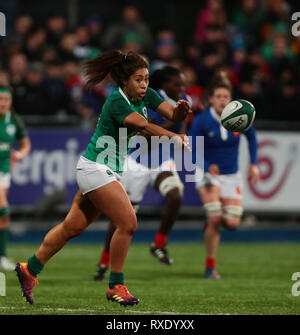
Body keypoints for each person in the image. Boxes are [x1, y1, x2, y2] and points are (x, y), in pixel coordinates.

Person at [15, 50, 191, 306]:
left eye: (146, 79)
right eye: (138, 79)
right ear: (124, 81)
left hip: (102, 169)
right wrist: (174, 137)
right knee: (128, 223)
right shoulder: (116, 102)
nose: (144, 85)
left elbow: (172, 115)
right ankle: (115, 285)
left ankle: (29, 268)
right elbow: (143, 127)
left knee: (71, 227)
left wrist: (181, 112)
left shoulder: (147, 95)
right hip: (95, 168)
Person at [94, 66, 191, 280]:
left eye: (183, 84)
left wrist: (180, 132)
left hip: (162, 163)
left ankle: (158, 244)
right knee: (123, 220)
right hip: (136, 163)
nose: (182, 88)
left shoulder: (184, 99)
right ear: (165, 86)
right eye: (177, 84)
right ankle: (104, 262)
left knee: (175, 195)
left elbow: (181, 126)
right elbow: (147, 134)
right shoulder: (150, 99)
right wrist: (173, 126)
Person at [190, 71, 260, 279]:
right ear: (211, 99)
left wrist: (254, 164)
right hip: (207, 175)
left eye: (226, 97)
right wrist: (206, 164)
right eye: (218, 96)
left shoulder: (239, 119)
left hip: (231, 175)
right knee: (214, 216)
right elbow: (192, 150)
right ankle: (210, 266)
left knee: (232, 223)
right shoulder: (202, 121)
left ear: (231, 100)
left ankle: (211, 223)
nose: (222, 100)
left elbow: (253, 138)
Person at [0, 85, 31, 271]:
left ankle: (2, 256)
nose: (3, 103)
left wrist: (19, 155)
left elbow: (25, 144)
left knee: (3, 217)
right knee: (3, 209)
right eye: (0, 100)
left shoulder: (15, 121)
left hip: (4, 170)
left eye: (6, 100)